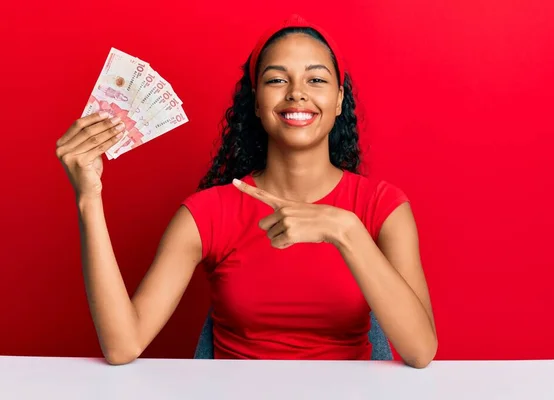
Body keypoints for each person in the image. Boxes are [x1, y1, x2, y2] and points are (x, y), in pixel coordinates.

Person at [55, 14, 437, 368]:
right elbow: (123, 345)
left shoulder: (382, 207)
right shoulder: (206, 213)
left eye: (316, 80)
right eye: (276, 79)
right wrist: (89, 197)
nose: (297, 93)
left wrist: (347, 231)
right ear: (256, 102)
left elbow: (421, 351)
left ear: (338, 100)